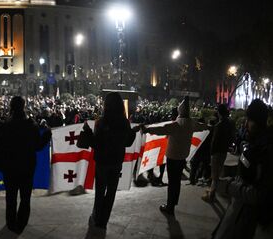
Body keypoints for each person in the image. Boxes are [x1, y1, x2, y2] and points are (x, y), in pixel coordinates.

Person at [204, 99, 273, 239]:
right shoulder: (255, 143)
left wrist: (229, 188)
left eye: (249, 120)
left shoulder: (265, 151)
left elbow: (259, 194)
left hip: (244, 216)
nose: (245, 124)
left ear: (258, 122)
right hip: (238, 212)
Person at [77, 92, 138, 228]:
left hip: (102, 162)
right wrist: (132, 132)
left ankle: (96, 218)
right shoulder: (124, 122)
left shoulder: (102, 122)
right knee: (111, 192)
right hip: (116, 162)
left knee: (100, 191)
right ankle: (103, 221)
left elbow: (95, 143)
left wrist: (87, 132)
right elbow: (128, 143)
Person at [0, 96, 52, 233]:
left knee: (11, 196)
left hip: (9, 168)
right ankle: (21, 223)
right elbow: (38, 146)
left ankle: (10, 223)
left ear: (11, 107)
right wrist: (47, 134)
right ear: (23, 107)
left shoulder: (5, 126)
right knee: (25, 197)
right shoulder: (30, 125)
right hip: (27, 166)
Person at [142, 97, 208, 215]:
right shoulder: (192, 124)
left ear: (180, 111)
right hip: (182, 157)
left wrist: (147, 130)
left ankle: (170, 206)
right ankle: (173, 203)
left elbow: (161, 129)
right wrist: (209, 126)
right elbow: (202, 126)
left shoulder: (176, 125)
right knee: (176, 182)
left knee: (172, 182)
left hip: (173, 157)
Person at [202, 104, 234, 203]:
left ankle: (212, 195)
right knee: (217, 173)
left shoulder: (219, 125)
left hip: (216, 152)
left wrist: (211, 152)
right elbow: (231, 137)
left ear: (219, 113)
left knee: (214, 174)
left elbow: (214, 141)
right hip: (223, 151)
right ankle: (212, 191)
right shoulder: (229, 123)